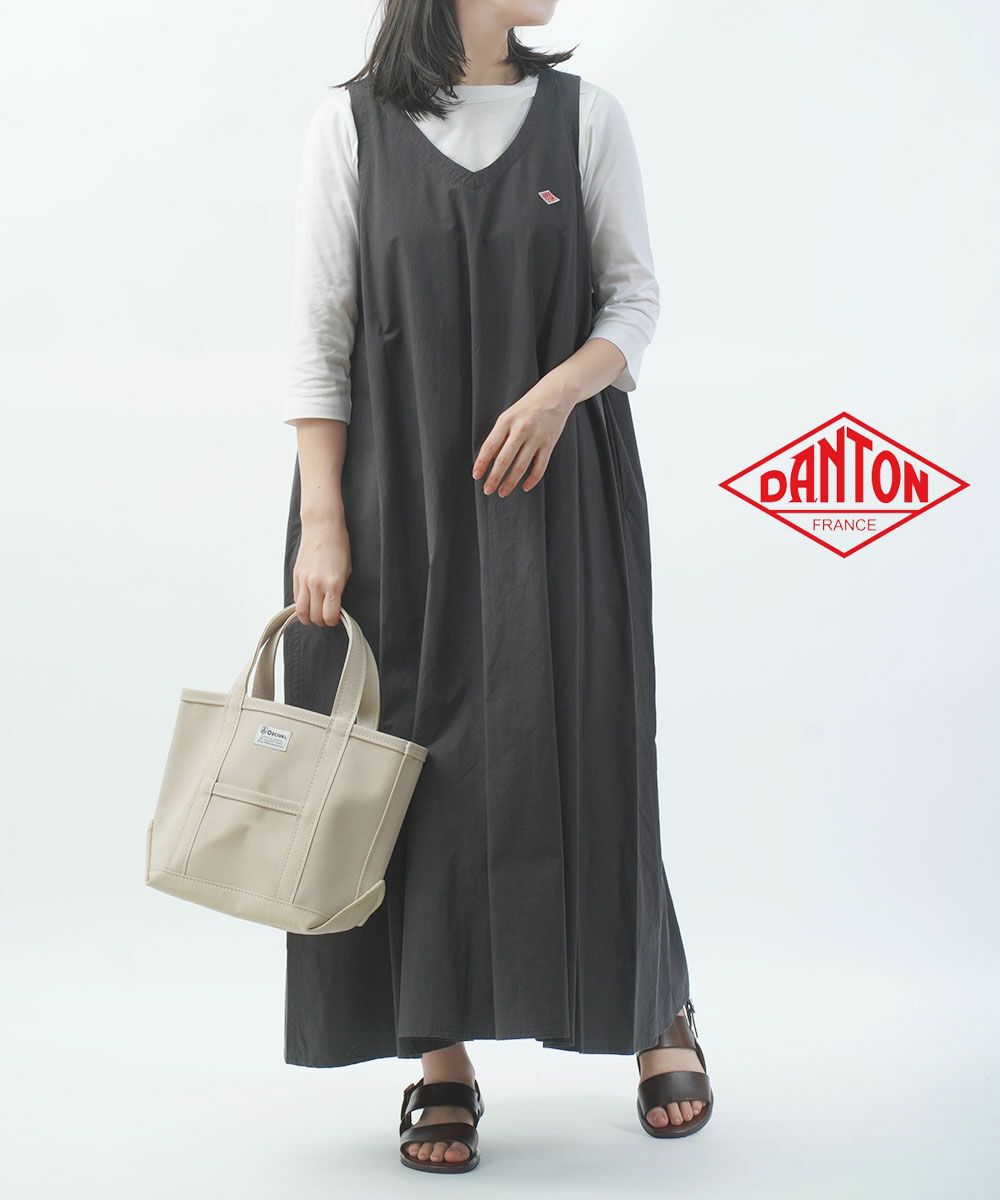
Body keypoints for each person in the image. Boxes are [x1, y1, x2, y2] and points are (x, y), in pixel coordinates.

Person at [280, 0, 714, 1173]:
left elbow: (633, 301)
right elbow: (319, 333)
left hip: (560, 490)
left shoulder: (585, 118)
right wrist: (323, 521)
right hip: (393, 497)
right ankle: (440, 1056)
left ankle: (657, 1012)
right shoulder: (348, 127)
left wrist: (557, 392)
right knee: (408, 765)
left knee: (590, 748)